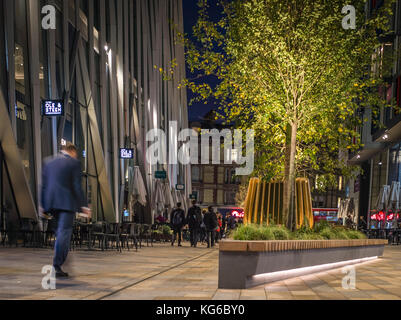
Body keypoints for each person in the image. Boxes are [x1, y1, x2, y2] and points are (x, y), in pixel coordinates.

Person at [41, 142, 91, 278]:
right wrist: (84, 206)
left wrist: (43, 206)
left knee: (60, 233)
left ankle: (62, 259)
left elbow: (44, 186)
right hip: (66, 204)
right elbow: (76, 186)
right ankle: (57, 265)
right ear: (73, 152)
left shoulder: (48, 162)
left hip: (51, 203)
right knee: (64, 233)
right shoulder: (74, 163)